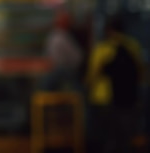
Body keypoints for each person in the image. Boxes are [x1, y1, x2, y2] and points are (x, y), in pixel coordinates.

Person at [85, 13, 145, 153]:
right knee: (125, 137)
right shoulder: (133, 46)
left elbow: (92, 76)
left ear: (108, 30)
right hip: (129, 98)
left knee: (108, 137)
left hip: (105, 98)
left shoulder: (102, 49)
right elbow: (141, 72)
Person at [39, 10, 84, 91]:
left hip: (62, 70)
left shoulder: (57, 36)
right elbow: (77, 58)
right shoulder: (59, 37)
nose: (69, 23)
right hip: (62, 70)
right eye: (67, 21)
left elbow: (77, 57)